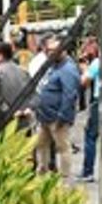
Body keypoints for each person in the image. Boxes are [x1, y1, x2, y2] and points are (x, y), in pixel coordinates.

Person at [31, 35, 80, 176]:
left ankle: (65, 176)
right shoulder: (54, 66)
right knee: (40, 144)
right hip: (44, 117)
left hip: (57, 118)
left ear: (63, 50)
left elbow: (69, 96)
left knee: (63, 147)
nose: (49, 53)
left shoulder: (68, 69)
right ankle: (42, 170)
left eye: (53, 50)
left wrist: (62, 117)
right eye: (47, 50)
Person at [0, 40, 32, 158]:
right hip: (24, 117)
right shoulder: (23, 71)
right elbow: (32, 93)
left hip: (5, 118)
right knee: (23, 151)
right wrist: (27, 108)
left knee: (7, 153)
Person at [76, 38, 102, 181]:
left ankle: (88, 171)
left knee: (90, 136)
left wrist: (83, 68)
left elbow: (84, 81)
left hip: (97, 102)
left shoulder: (96, 63)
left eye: (85, 48)